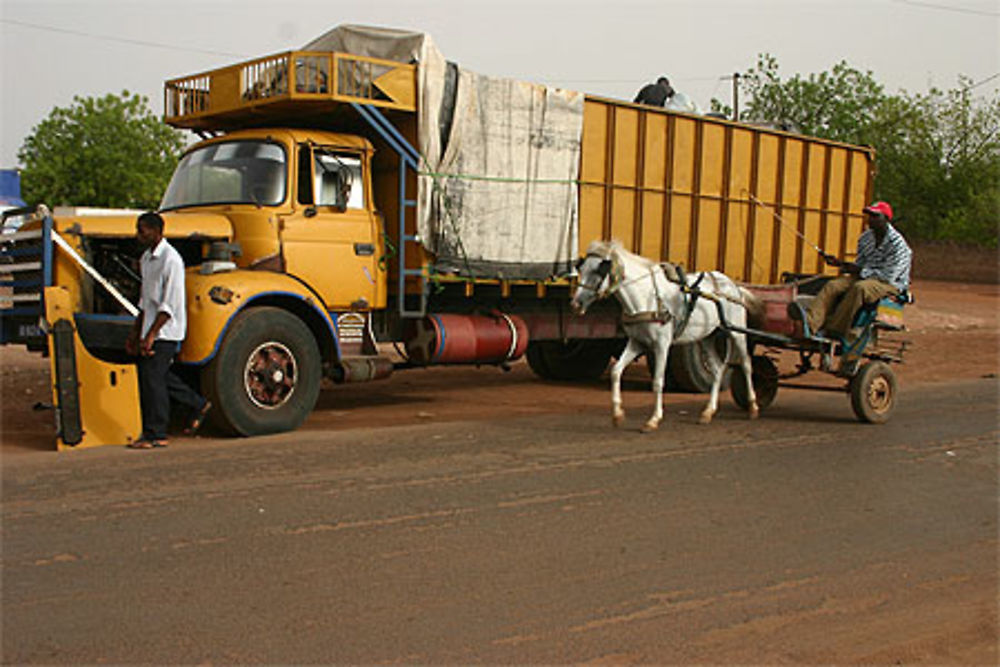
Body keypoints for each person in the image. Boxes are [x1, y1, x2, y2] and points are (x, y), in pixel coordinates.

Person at [125, 211, 211, 449]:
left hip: (166, 330)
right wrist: (136, 333)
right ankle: (197, 404)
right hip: (150, 328)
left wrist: (152, 335)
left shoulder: (171, 260)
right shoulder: (146, 259)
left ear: (157, 231)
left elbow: (169, 304)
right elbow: (145, 301)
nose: (138, 234)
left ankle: (156, 433)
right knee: (156, 376)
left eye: (142, 230)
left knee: (153, 379)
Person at [805, 201, 912, 342]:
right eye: (869, 215)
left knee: (859, 289)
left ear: (886, 219)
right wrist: (841, 264)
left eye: (875, 216)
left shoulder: (897, 245)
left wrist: (858, 270)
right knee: (833, 286)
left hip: (890, 284)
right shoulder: (866, 238)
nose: (870, 219)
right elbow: (860, 265)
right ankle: (809, 325)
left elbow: (888, 277)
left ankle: (835, 329)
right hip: (867, 277)